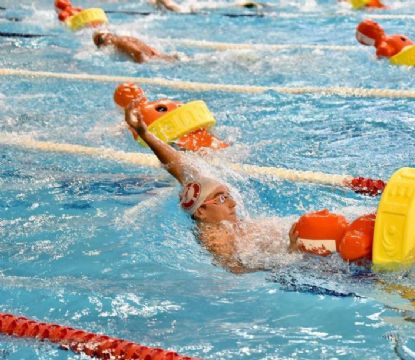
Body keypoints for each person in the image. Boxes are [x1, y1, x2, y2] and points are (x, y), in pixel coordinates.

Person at [123, 98, 298, 273]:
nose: (233, 203)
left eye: (228, 196)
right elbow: (237, 269)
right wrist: (291, 254)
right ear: (201, 211)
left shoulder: (208, 204)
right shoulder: (215, 238)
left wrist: (144, 133)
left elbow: (177, 165)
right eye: (223, 198)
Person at [93, 30, 178, 64]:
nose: (101, 47)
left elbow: (138, 52)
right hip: (159, 57)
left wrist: (141, 66)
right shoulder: (124, 38)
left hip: (157, 61)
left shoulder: (119, 42)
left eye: (99, 44)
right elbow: (151, 49)